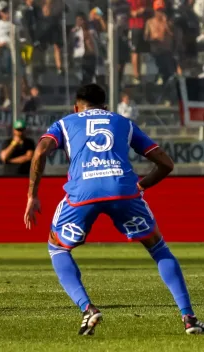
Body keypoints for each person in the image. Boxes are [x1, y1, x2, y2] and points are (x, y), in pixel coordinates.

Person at [24, 83, 204, 335]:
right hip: (123, 189)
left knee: (57, 248)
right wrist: (140, 187)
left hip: (82, 193)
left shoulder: (65, 123)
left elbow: (40, 152)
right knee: (158, 247)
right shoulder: (123, 122)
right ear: (106, 107)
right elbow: (165, 163)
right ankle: (189, 318)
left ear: (76, 107)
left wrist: (33, 195)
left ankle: (88, 309)